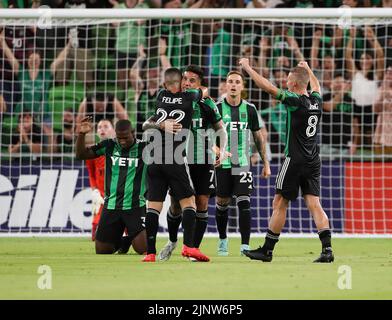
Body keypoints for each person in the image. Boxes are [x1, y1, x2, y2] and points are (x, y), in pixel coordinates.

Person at [239, 58, 334, 263]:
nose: (286, 84)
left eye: (289, 81)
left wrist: (247, 68)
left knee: (280, 202)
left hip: (294, 160)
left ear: (295, 85)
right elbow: (315, 85)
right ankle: (327, 250)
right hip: (313, 160)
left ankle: (267, 250)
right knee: (314, 204)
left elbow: (268, 87)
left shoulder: (295, 101)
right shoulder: (316, 101)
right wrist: (308, 69)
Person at [157, 65, 228, 262]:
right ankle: (172, 241)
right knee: (176, 206)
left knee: (202, 203)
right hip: (179, 159)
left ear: (200, 84)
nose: (187, 83)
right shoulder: (173, 102)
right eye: (185, 79)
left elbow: (221, 129)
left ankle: (193, 249)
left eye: (192, 80)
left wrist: (221, 150)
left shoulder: (207, 104)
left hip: (203, 160)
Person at [141, 67, 210, 262]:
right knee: (189, 203)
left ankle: (151, 253)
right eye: (184, 80)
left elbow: (146, 124)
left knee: (153, 207)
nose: (186, 83)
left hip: (153, 158)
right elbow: (203, 91)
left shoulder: (161, 96)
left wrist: (161, 124)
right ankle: (189, 247)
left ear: (164, 84)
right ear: (179, 83)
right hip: (175, 157)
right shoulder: (189, 98)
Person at [213, 71, 271, 256]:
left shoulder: (250, 110)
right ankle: (223, 240)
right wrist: (216, 152)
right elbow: (206, 136)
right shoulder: (217, 108)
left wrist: (266, 163)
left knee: (244, 202)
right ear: (225, 85)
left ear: (242, 87)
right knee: (222, 202)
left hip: (243, 162)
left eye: (237, 82)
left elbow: (258, 137)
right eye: (230, 81)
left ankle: (245, 245)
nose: (233, 85)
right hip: (222, 163)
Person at [75, 118, 147, 255]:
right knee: (102, 251)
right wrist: (82, 134)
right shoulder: (109, 145)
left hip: (135, 206)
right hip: (111, 206)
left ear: (133, 133)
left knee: (143, 250)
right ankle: (124, 241)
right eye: (119, 138)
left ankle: (135, 236)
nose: (122, 141)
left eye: (125, 137)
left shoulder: (145, 148)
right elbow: (81, 154)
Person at [85, 119, 115, 241]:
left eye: (106, 126)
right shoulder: (92, 152)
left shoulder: (120, 149)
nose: (102, 129)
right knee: (96, 237)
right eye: (99, 127)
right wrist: (94, 191)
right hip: (102, 197)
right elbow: (91, 175)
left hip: (119, 196)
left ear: (113, 131)